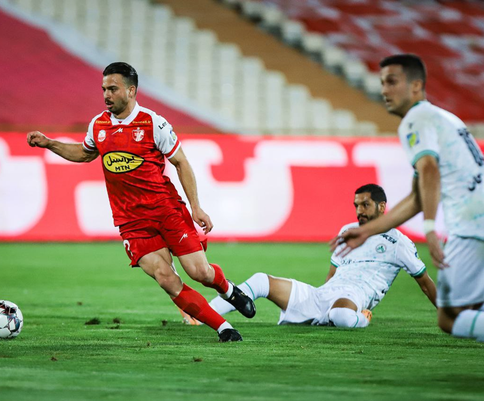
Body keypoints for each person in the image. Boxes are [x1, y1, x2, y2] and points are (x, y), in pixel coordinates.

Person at [27, 62, 255, 342]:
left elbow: (181, 162)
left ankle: (229, 290)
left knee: (200, 272)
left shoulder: (153, 123)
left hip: (166, 211)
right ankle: (224, 328)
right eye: (104, 89)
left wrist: (196, 207)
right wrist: (50, 143)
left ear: (131, 90)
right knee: (166, 278)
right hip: (131, 222)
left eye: (113, 89)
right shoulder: (99, 125)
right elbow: (85, 153)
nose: (106, 95)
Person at [332, 54, 484, 362]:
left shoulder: (415, 121)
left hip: (475, 224)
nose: (384, 90)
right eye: (382, 83)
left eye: (392, 82)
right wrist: (367, 231)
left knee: (450, 317)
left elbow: (429, 170)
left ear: (416, 86)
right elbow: (417, 197)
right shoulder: (443, 118)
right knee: (474, 308)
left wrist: (429, 229)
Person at [205, 184, 436, 328]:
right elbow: (332, 274)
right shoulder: (348, 231)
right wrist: (321, 298)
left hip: (352, 298)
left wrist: (448, 316)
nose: (359, 211)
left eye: (365, 205)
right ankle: (204, 314)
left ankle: (362, 318)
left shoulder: (398, 242)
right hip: (321, 296)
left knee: (342, 315)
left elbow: (425, 282)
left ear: (382, 206)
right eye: (356, 205)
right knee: (261, 280)